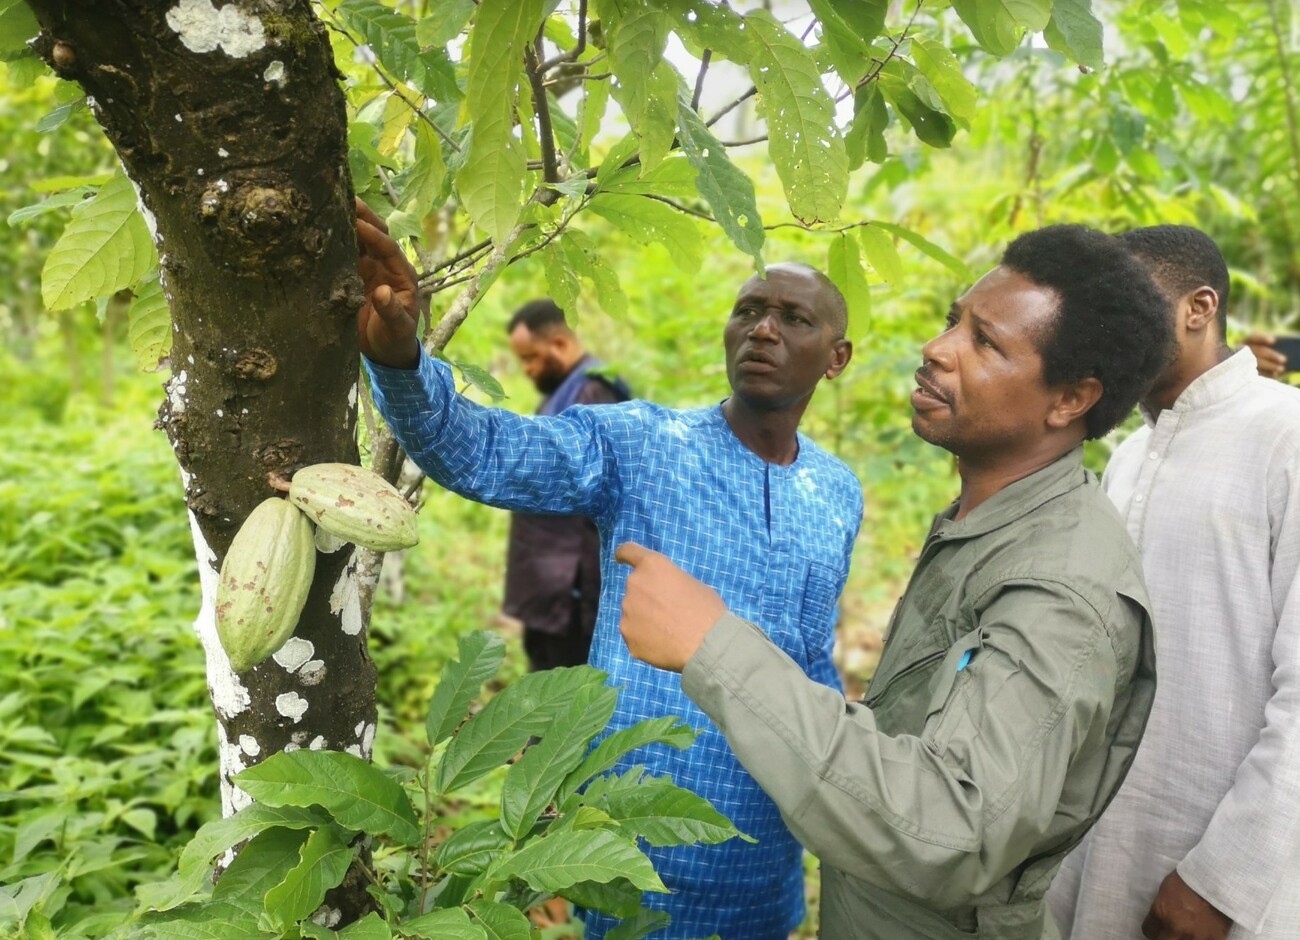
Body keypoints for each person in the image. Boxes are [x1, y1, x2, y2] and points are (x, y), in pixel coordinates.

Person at [615, 224, 1174, 939]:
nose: (936, 349)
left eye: (985, 342)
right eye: (953, 321)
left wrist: (711, 646)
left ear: (1069, 400)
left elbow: (951, 827)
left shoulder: (1058, 591)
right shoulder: (992, 522)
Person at [355, 199, 862, 939]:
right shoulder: (642, 445)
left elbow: (813, 657)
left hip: (765, 852)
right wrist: (401, 360)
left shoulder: (836, 490)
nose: (763, 329)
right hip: (630, 841)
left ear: (836, 358)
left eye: (794, 318)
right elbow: (483, 451)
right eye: (749, 310)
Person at [1048, 226, 1300, 940]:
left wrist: (1221, 882)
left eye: (1134, 304)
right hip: (1101, 839)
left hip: (1229, 880)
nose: (1113, 330)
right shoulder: (1129, 455)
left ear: (1199, 308)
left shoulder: (1286, 435)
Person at [501, 299, 631, 672]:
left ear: (559, 344)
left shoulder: (592, 393)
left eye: (531, 357)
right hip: (549, 590)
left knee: (562, 695)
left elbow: (597, 492)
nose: (527, 369)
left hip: (570, 596)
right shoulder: (568, 391)